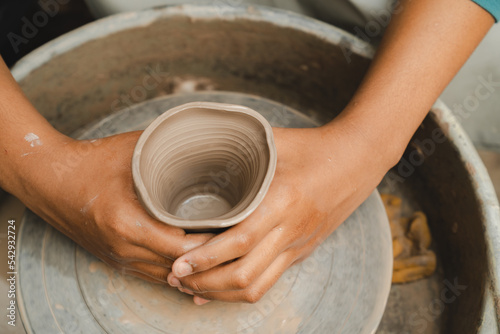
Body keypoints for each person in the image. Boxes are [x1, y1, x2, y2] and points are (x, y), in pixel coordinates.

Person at [0, 0, 497, 306]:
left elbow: (373, 141)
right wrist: (42, 169)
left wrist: (370, 144)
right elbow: (37, 164)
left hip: (415, 27)